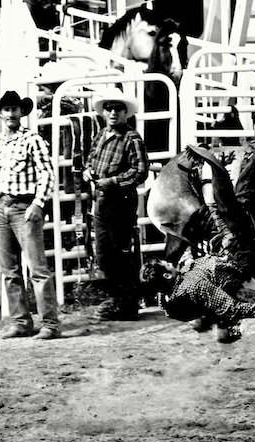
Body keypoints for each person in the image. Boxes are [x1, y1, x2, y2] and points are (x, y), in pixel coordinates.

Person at [140, 146, 255, 343]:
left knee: (217, 207)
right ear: (166, 274)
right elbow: (230, 307)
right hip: (234, 249)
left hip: (223, 253)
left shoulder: (170, 298)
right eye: (167, 265)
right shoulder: (193, 287)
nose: (170, 263)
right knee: (231, 199)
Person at [0, 90, 60, 340]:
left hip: (25, 208)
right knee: (9, 269)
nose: (10, 113)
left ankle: (50, 325)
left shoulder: (33, 140)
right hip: (0, 208)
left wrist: (38, 203)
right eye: (6, 109)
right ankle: (21, 322)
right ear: (0, 114)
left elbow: (47, 173)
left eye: (14, 109)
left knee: (37, 268)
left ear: (22, 112)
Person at [83, 88, 150, 321]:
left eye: (118, 109)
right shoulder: (101, 135)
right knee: (103, 254)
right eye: (109, 109)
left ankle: (128, 304)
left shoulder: (131, 138)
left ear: (125, 113)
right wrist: (88, 172)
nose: (113, 113)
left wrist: (112, 182)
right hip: (101, 202)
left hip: (120, 203)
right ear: (104, 112)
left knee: (120, 254)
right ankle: (119, 299)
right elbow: (90, 159)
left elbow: (140, 172)